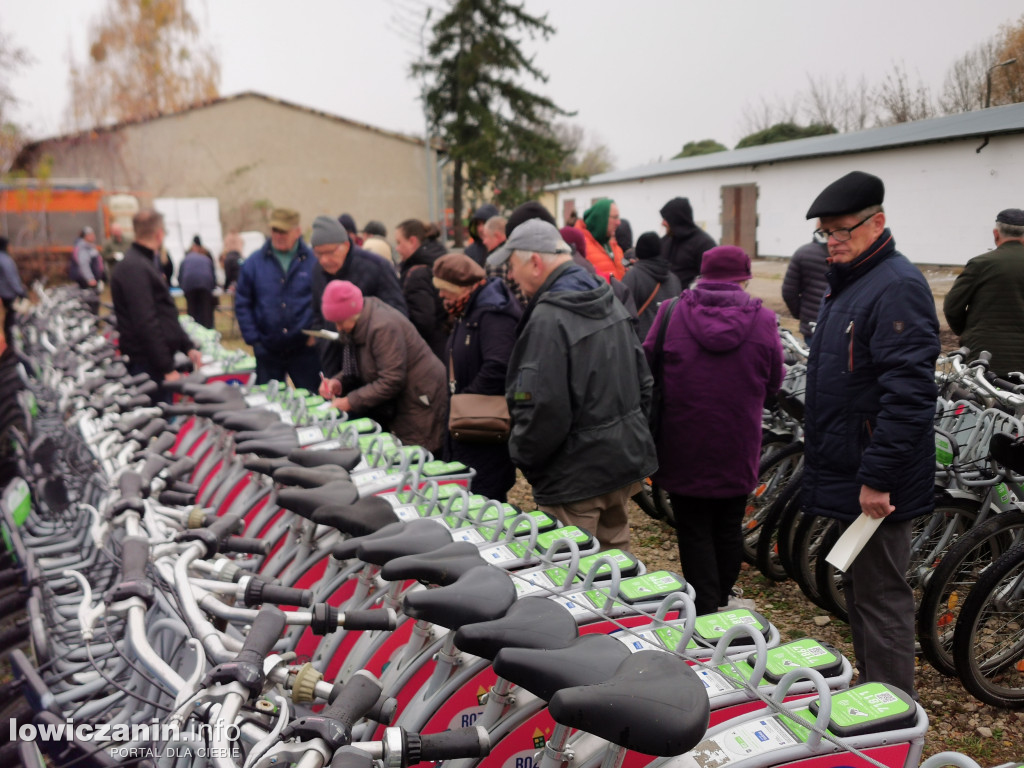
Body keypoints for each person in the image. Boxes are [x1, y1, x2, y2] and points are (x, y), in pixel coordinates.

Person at [802, 170, 939, 699]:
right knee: (860, 591)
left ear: (876, 223)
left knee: (881, 596)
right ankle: (871, 696)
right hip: (852, 468)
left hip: (875, 482)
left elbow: (908, 395)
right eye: (825, 234)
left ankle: (889, 714)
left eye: (840, 231)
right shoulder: (853, 283)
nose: (831, 242)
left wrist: (877, 477)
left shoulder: (897, 286)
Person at [488, 219, 656, 551]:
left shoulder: (549, 319)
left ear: (535, 263)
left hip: (574, 478)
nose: (511, 277)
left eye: (512, 266)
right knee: (614, 571)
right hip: (619, 463)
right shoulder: (607, 296)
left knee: (570, 580)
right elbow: (644, 383)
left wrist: (523, 455)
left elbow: (540, 406)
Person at [644, 246, 784, 615]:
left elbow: (647, 365)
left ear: (702, 276)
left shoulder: (670, 313)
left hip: (682, 437)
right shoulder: (764, 320)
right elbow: (774, 382)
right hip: (737, 441)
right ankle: (720, 601)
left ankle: (704, 607)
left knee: (692, 526)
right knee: (728, 523)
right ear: (745, 278)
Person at [317, 280, 447, 453]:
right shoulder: (359, 323)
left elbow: (392, 380)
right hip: (402, 400)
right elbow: (363, 365)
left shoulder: (382, 327)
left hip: (419, 399)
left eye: (341, 322)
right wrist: (338, 382)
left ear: (355, 313)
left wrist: (350, 401)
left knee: (415, 458)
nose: (338, 328)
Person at [433, 253, 522, 501]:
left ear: (463, 288)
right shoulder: (468, 310)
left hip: (483, 427)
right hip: (469, 425)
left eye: (445, 291)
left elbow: (499, 365)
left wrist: (465, 401)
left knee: (483, 499)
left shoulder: (493, 314)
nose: (441, 296)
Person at [110, 210, 203, 402]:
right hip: (148, 367)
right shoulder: (135, 267)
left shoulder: (143, 263)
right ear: (159, 234)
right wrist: (166, 367)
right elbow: (146, 322)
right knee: (159, 423)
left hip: (154, 362)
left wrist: (187, 346)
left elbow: (163, 313)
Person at [309, 215, 408, 377]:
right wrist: (322, 343)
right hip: (334, 362)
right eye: (318, 254)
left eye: (330, 252)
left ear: (346, 245)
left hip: (373, 363)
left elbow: (398, 314)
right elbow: (317, 314)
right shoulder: (317, 272)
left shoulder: (377, 267)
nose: (324, 260)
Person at [234, 207, 320, 391]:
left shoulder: (314, 262)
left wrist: (315, 333)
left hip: (305, 350)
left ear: (297, 231)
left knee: (313, 401)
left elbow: (323, 301)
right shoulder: (254, 263)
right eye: (275, 230)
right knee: (268, 405)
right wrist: (254, 340)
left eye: (284, 231)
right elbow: (242, 303)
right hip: (267, 350)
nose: (278, 235)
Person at [943, 208, 1024, 374]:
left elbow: (952, 307)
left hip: (983, 355)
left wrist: (969, 331)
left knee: (982, 399)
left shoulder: (980, 264)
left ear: (996, 234)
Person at [395, 219, 448, 359]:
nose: (397, 248)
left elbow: (423, 322)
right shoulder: (438, 260)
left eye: (399, 242)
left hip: (429, 351)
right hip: (446, 345)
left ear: (412, 241)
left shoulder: (418, 273)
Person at [623, 232, 682, 340]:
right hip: (669, 343)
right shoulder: (674, 279)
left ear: (639, 252)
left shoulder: (633, 276)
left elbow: (623, 313)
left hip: (643, 344)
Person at [660, 197, 717, 289]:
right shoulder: (665, 242)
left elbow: (713, 280)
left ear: (677, 219)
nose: (663, 223)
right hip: (666, 301)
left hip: (692, 301)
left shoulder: (704, 244)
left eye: (666, 219)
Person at [781, 240, 830, 342]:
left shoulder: (803, 252)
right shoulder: (854, 252)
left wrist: (802, 315)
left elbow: (788, 292)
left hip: (812, 325)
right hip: (843, 329)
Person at [575, 198, 626, 281]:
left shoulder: (614, 247)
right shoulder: (582, 248)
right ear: (602, 219)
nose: (619, 222)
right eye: (615, 217)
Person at [178, 235, 218, 328]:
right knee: (206, 311)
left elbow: (180, 276)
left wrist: (182, 287)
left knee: (192, 312)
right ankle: (208, 332)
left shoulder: (185, 259)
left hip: (189, 284)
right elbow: (213, 275)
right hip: (205, 284)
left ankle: (193, 332)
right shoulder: (206, 257)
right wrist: (212, 287)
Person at [0, 235, 27, 342]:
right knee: (13, 314)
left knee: (10, 314)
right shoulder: (5, 259)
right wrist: (20, 291)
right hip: (9, 292)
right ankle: (11, 337)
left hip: (5, 291)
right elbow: (11, 277)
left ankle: (10, 334)